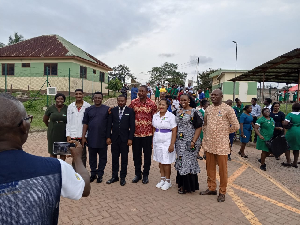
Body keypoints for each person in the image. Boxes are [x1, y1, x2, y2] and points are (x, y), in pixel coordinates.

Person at [0, 93, 90, 224]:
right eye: (28, 118)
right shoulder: (55, 168)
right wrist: (78, 158)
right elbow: (84, 188)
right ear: (24, 127)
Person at [200, 90, 239, 202]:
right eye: (212, 95)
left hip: (222, 145)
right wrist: (205, 138)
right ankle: (212, 188)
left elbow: (236, 126)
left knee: (222, 170)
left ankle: (222, 191)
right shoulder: (208, 109)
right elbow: (205, 124)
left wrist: (224, 132)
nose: (213, 97)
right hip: (210, 144)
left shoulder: (228, 109)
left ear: (221, 96)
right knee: (210, 168)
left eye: (215, 95)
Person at [175, 94, 203, 194]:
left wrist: (193, 141)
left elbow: (199, 127)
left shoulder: (195, 112)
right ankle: (183, 183)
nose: (183, 102)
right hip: (180, 142)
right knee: (182, 160)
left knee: (188, 162)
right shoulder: (178, 112)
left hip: (191, 141)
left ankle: (186, 187)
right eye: (181, 100)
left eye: (185, 100)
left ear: (189, 101)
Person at [129, 85, 157, 184]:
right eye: (139, 91)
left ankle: (145, 175)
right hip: (136, 135)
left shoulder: (152, 104)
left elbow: (155, 120)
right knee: (136, 156)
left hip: (148, 135)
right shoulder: (133, 103)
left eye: (142, 91)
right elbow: (128, 115)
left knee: (147, 156)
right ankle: (138, 174)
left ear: (147, 92)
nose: (140, 93)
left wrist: (154, 136)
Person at [106, 95, 135, 186]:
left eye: (122, 101)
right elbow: (109, 125)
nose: (121, 102)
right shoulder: (113, 111)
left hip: (125, 139)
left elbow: (132, 126)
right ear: (117, 101)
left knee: (124, 159)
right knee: (114, 158)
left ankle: (123, 177)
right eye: (119, 101)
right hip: (114, 139)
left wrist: (130, 138)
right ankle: (114, 176)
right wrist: (108, 137)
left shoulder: (130, 111)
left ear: (126, 101)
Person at [82, 92, 110, 183]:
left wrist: (109, 137)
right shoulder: (88, 109)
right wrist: (83, 137)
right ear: (93, 98)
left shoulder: (107, 109)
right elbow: (85, 124)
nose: (97, 99)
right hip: (91, 137)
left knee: (103, 157)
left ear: (102, 99)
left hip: (103, 138)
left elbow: (110, 125)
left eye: (99, 98)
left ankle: (100, 174)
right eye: (95, 98)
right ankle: (93, 173)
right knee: (92, 157)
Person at [152, 99, 177, 190]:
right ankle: (162, 179)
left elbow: (174, 130)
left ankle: (168, 181)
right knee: (160, 160)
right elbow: (154, 128)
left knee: (166, 162)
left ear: (167, 106)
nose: (161, 106)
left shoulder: (171, 116)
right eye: (160, 104)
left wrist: (172, 144)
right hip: (157, 140)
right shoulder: (155, 116)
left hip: (167, 140)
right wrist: (152, 141)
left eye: (163, 105)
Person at [66, 89, 91, 167]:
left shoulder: (87, 106)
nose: (78, 95)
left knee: (82, 155)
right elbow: (68, 121)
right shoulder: (71, 106)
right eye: (76, 94)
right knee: (74, 154)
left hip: (82, 135)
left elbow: (88, 123)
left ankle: (82, 173)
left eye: (80, 94)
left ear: (83, 95)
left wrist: (85, 136)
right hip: (73, 135)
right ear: (74, 95)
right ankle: (74, 173)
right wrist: (68, 134)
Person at [43, 93, 68, 160]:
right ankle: (54, 166)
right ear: (55, 99)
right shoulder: (50, 108)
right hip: (53, 133)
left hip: (64, 133)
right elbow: (45, 120)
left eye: (62, 99)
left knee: (63, 152)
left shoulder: (67, 108)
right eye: (58, 98)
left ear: (64, 100)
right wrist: (50, 126)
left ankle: (61, 167)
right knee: (53, 152)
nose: (60, 100)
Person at [282, 103, 300, 168]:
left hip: (292, 131)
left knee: (287, 146)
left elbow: (285, 123)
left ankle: (288, 161)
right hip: (299, 131)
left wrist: (285, 125)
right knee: (297, 147)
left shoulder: (290, 115)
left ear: (292, 108)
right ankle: (295, 162)